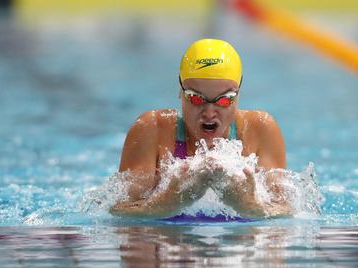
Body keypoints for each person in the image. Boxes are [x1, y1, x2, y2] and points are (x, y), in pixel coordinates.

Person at [110, 38, 292, 219]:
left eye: (224, 99)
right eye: (196, 98)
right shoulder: (151, 129)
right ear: (180, 91)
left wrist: (248, 206)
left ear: (238, 94)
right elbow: (118, 212)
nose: (210, 112)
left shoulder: (261, 129)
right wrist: (167, 203)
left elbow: (287, 213)